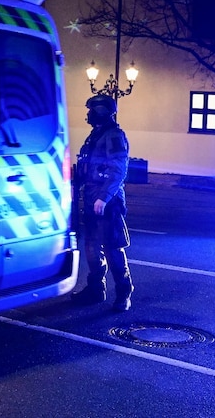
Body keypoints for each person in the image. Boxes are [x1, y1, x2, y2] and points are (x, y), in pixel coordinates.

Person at [71, 93, 134, 312]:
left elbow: (119, 169)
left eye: (93, 109)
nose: (88, 114)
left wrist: (103, 198)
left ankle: (124, 293)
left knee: (112, 248)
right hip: (91, 199)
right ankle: (96, 290)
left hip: (107, 202)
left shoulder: (114, 135)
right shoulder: (94, 136)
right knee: (91, 248)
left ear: (103, 111)